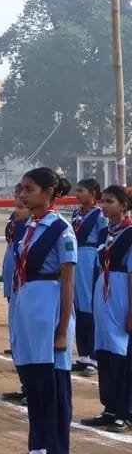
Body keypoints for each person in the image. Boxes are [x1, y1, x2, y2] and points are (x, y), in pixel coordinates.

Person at [1, 168, 76, 454]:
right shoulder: (27, 227)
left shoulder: (62, 231)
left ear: (48, 192)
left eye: (29, 189)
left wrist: (61, 329)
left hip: (49, 310)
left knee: (53, 386)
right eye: (21, 189)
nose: (22, 194)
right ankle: (37, 448)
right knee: (34, 384)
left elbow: (69, 283)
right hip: (27, 308)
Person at [82, 185, 132, 433]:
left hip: (122, 292)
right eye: (102, 201)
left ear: (123, 205)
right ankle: (109, 407)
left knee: (122, 353)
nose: (104, 205)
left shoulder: (130, 233)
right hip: (104, 291)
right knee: (104, 350)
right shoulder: (104, 232)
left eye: (110, 201)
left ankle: (125, 411)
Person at [0, 185, 31, 403]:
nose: (19, 199)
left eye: (24, 195)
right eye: (17, 195)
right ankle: (25, 384)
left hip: (29, 280)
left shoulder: (36, 223)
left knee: (29, 334)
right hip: (13, 269)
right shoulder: (15, 218)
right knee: (17, 330)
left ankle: (33, 387)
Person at [72, 178, 105, 375]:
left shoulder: (99, 215)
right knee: (78, 307)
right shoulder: (77, 213)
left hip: (90, 259)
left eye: (81, 190)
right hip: (77, 258)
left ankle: (93, 356)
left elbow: (102, 240)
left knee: (89, 307)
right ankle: (83, 354)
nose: (77, 194)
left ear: (93, 192)